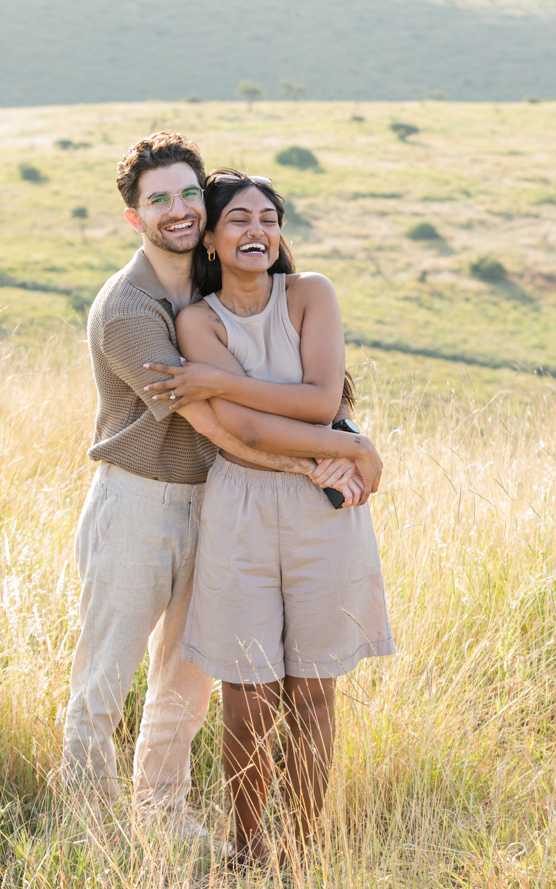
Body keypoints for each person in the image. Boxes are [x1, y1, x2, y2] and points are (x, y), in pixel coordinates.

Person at [62, 134, 384, 831]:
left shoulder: (205, 291)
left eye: (186, 195)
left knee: (184, 680)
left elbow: (290, 383)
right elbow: (215, 421)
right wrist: (322, 460)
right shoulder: (131, 308)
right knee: (106, 677)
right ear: (135, 215)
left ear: (199, 211)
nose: (175, 210)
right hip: (140, 502)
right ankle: (87, 826)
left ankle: (162, 816)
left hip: (213, 503)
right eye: (158, 200)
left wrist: (342, 441)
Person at [143, 169, 394, 864]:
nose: (257, 231)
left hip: (323, 511)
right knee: (247, 694)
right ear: (214, 241)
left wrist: (223, 381)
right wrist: (352, 447)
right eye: (239, 221)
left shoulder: (311, 294)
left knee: (314, 690)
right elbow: (245, 434)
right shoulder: (197, 319)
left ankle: (301, 849)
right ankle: (249, 848)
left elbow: (318, 400)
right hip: (241, 508)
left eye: (268, 219)